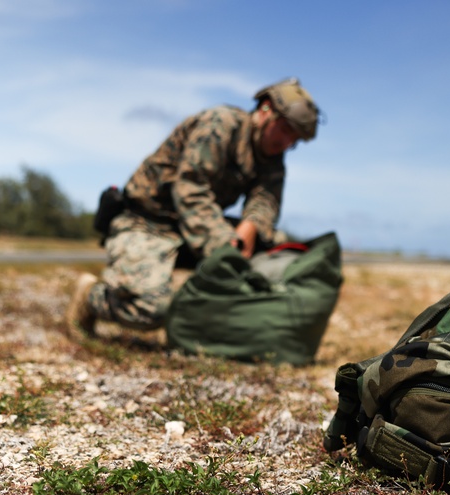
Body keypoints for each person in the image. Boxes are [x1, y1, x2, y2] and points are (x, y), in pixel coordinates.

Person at [66, 77, 320, 339]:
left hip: (191, 230)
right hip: (146, 222)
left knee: (277, 246)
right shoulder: (221, 124)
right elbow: (190, 190)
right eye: (286, 130)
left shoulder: (273, 158)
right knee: (151, 309)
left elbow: (266, 200)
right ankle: (91, 297)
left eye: (295, 138)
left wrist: (251, 226)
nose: (287, 142)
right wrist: (225, 245)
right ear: (266, 110)